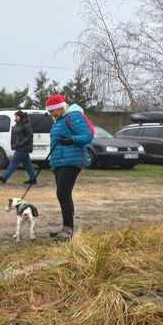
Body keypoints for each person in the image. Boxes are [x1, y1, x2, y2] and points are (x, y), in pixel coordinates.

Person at [45, 94, 93, 240]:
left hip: (72, 161)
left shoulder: (73, 117)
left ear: (60, 107)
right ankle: (66, 228)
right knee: (63, 195)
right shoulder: (58, 120)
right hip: (59, 162)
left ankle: (68, 230)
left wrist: (71, 139)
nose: (50, 114)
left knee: (62, 193)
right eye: (49, 111)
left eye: (52, 110)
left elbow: (88, 135)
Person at [0, 110, 37, 185]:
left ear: (20, 117)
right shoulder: (18, 124)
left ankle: (4, 177)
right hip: (19, 147)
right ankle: (33, 179)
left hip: (22, 148)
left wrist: (20, 143)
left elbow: (30, 136)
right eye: (15, 116)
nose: (15, 117)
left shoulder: (26, 124)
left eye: (16, 116)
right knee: (28, 164)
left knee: (13, 162)